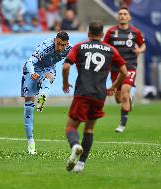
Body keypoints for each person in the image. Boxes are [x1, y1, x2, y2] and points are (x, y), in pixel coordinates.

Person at [62, 20, 127, 173]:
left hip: (82, 92)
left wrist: (65, 83)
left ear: (88, 33)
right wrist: (114, 86)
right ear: (102, 35)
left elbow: (65, 67)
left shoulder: (79, 47)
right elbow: (124, 71)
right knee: (89, 129)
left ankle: (75, 146)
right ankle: (81, 165)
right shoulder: (110, 49)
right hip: (99, 94)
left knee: (71, 127)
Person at [21, 31, 72, 155]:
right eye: (58, 44)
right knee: (28, 107)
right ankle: (31, 141)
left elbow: (80, 57)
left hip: (48, 68)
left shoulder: (69, 48)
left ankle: (43, 95)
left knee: (49, 76)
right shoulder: (46, 46)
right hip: (32, 70)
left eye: (63, 45)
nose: (60, 48)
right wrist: (32, 73)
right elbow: (29, 62)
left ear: (67, 44)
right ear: (55, 40)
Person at [103, 6, 146, 133]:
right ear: (118, 16)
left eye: (124, 14)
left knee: (125, 93)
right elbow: (104, 47)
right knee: (118, 98)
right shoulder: (111, 32)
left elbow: (143, 45)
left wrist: (140, 50)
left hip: (130, 66)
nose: (122, 15)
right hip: (115, 68)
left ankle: (122, 124)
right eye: (120, 13)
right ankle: (128, 100)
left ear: (129, 17)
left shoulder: (135, 32)